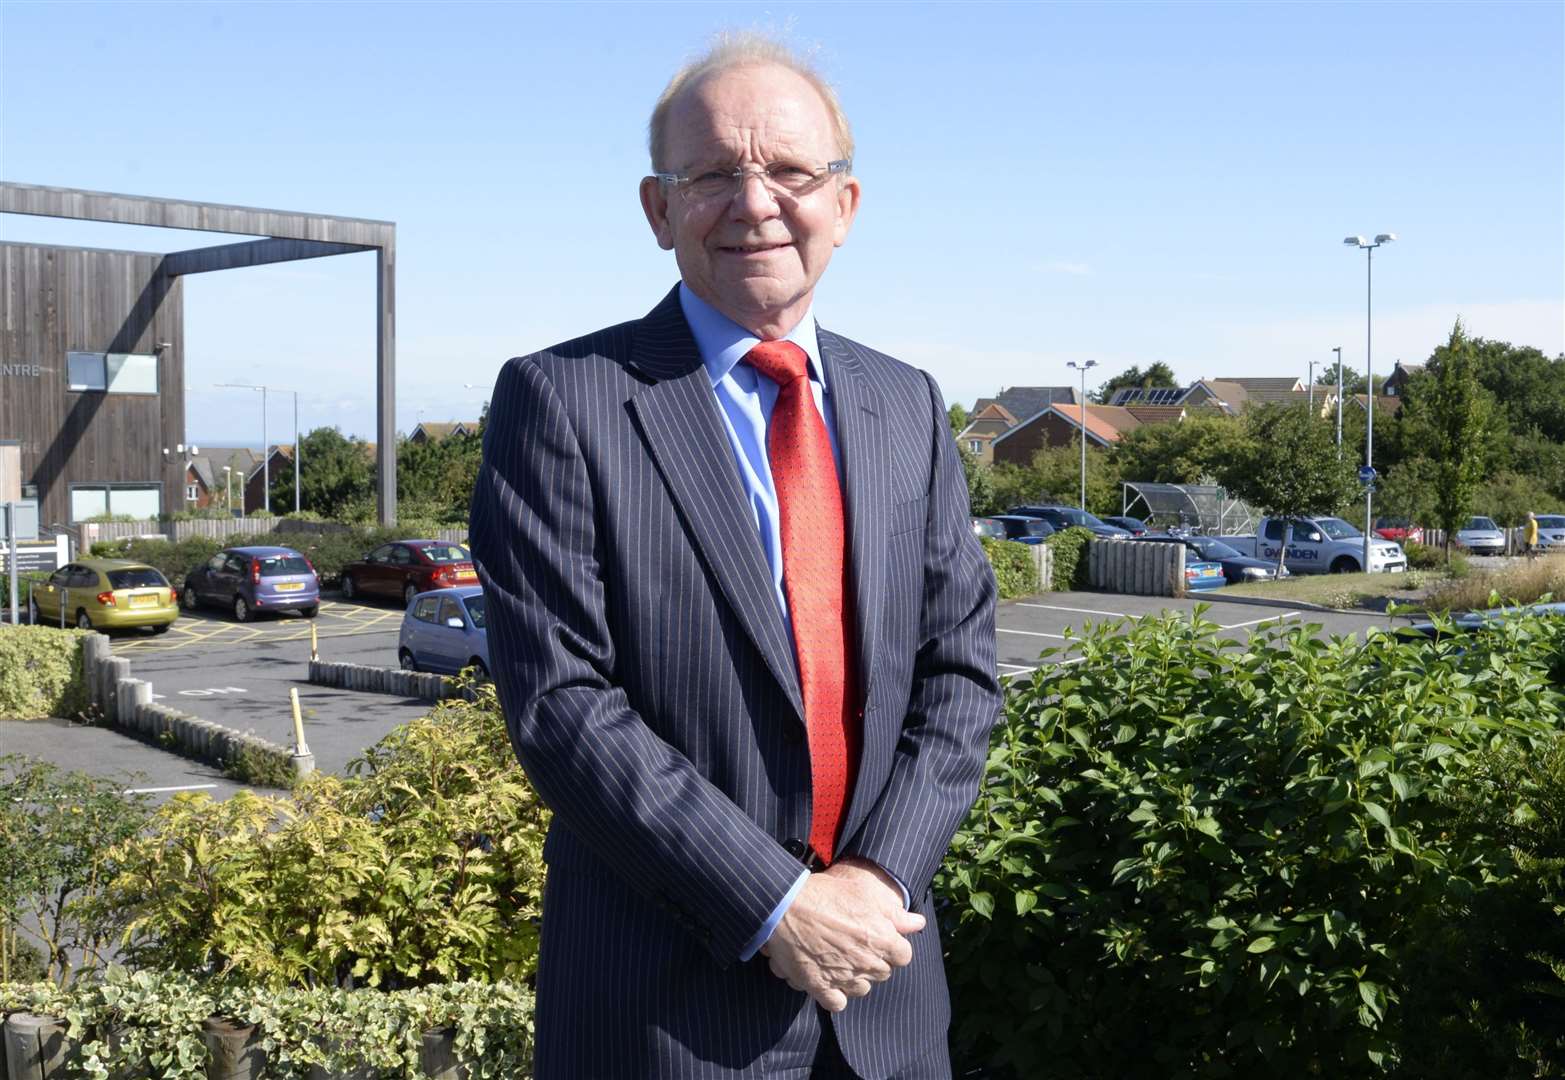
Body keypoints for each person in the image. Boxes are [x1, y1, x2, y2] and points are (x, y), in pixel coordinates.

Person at [470, 34, 1000, 1080]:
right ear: (656, 209)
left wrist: (876, 886)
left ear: (844, 205)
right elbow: (562, 704)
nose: (755, 203)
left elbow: (960, 673)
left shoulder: (906, 404)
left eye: (791, 172)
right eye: (712, 174)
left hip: (884, 1001)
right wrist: (776, 904)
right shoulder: (560, 403)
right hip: (664, 1024)